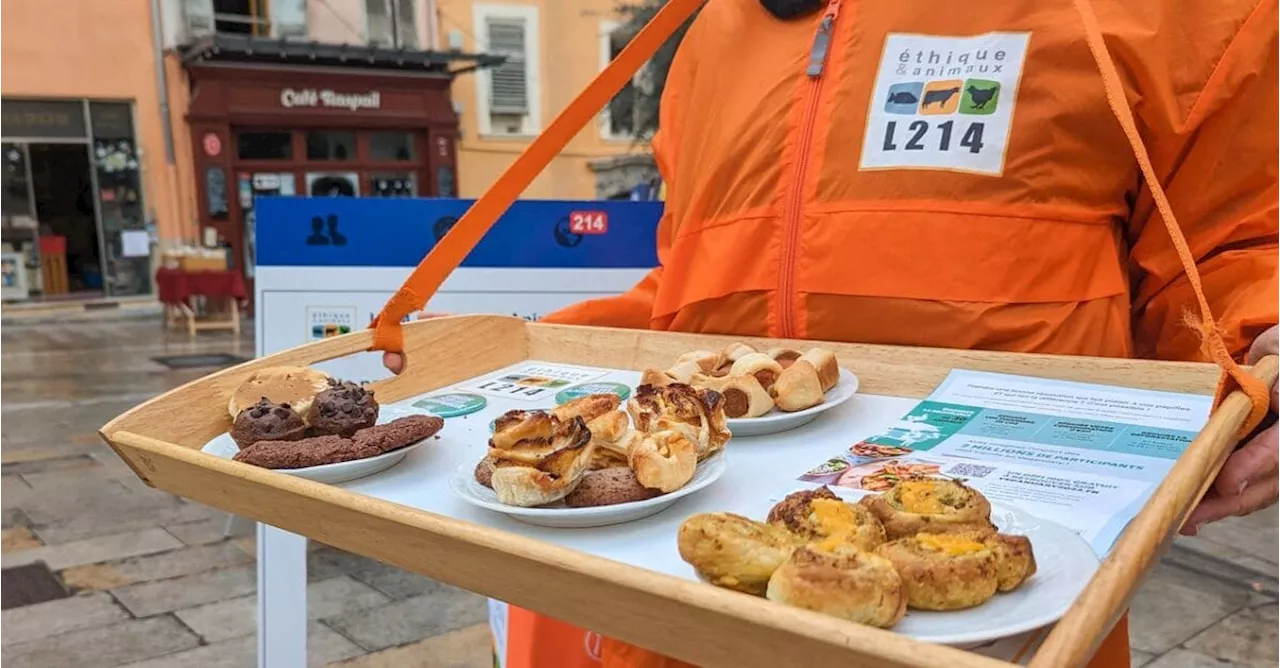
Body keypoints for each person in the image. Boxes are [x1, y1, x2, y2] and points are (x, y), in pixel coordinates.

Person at [385, 0, 1279, 665]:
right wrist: (506, 349)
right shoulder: (706, 33)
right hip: (687, 606)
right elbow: (694, 291)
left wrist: (1268, 337)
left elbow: (1240, 240)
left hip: (975, 608)